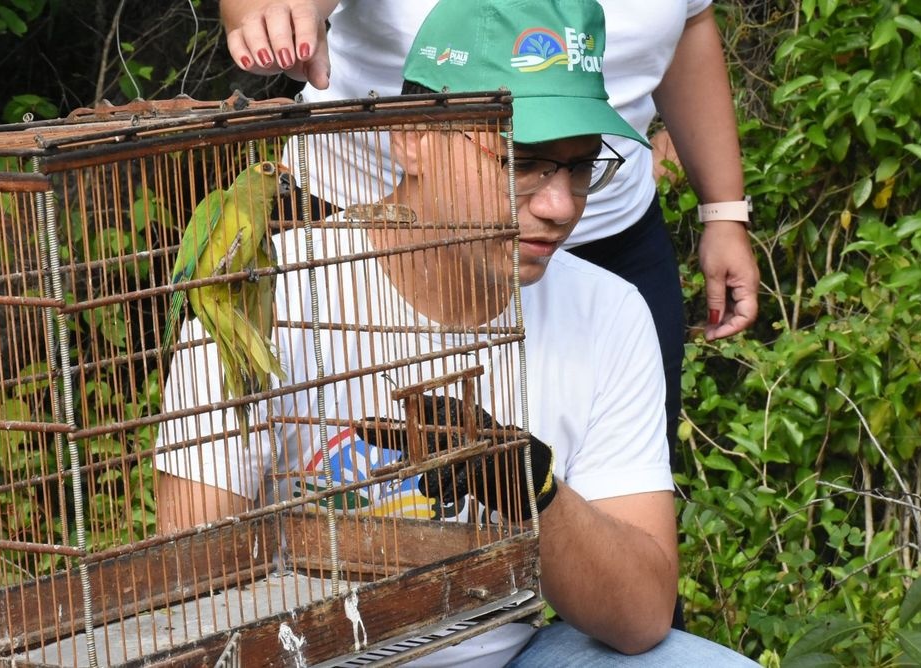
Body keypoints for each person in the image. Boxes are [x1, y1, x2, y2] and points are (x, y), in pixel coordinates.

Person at [157, 1, 758, 664]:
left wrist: (531, 490)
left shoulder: (609, 312)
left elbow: (642, 618)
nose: (560, 207)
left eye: (581, 168)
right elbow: (189, 593)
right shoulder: (271, 295)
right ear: (411, 135)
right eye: (519, 161)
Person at [219, 0, 762, 475]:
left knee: (609, 480)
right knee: (351, 468)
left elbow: (691, 22)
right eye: (519, 161)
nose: (555, 205)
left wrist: (724, 210)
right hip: (381, 226)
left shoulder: (612, 299)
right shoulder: (304, 270)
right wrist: (274, 17)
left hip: (607, 238)